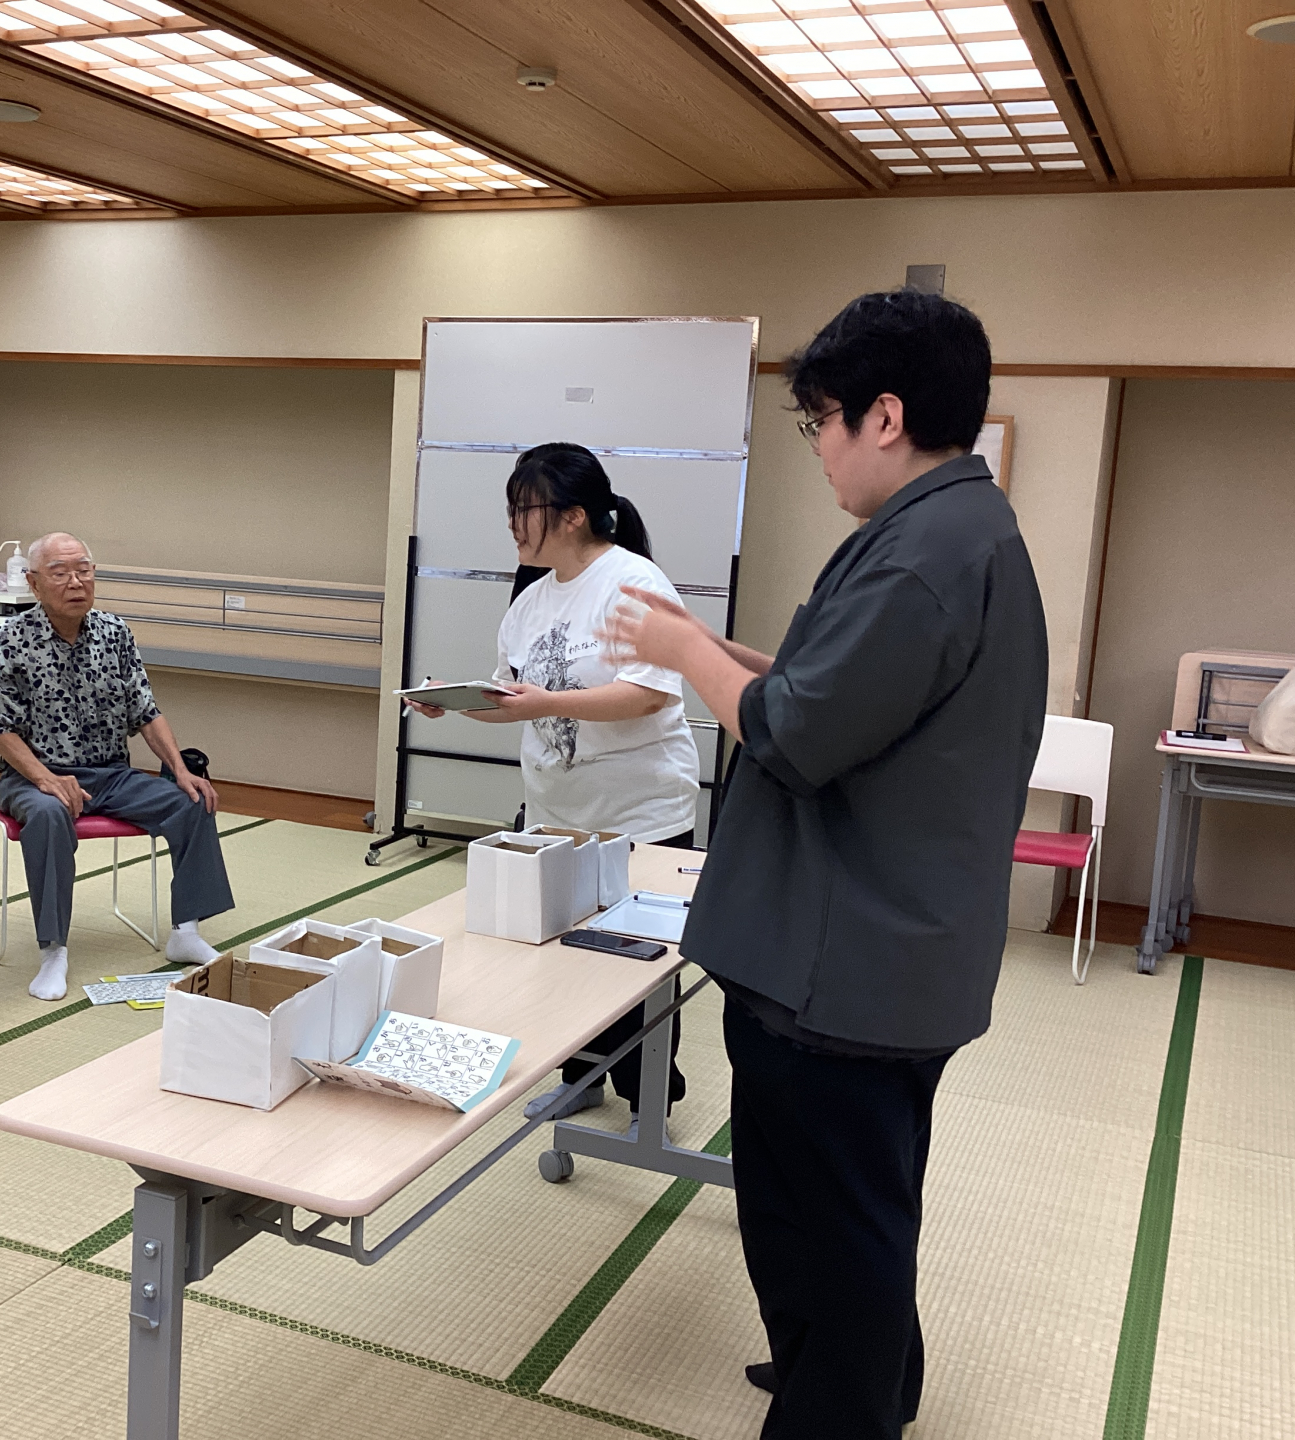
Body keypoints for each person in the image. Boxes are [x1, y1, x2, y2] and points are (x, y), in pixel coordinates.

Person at [601, 289, 1047, 1440]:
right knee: (854, 1208)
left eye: (822, 422)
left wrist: (683, 648)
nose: (819, 449)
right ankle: (854, 1382)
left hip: (843, 968)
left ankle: (839, 1408)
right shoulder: (957, 532)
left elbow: (794, 732)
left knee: (828, 1220)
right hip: (881, 953)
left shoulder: (921, 557)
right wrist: (719, 652)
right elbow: (834, 689)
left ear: (884, 416)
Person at [406, 442, 702, 1122]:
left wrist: (543, 702)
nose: (513, 524)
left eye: (525, 509)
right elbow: (513, 699)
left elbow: (649, 694)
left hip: (640, 814)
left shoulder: (636, 584)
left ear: (572, 515)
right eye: (509, 509)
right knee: (565, 959)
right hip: (555, 813)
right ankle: (581, 1078)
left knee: (636, 961)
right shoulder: (531, 600)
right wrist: (452, 701)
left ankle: (649, 1096)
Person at [0, 533, 234, 1002]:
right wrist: (47, 779)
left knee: (193, 801)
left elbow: (146, 712)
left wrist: (180, 769)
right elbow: (1, 731)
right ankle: (53, 949)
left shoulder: (115, 633)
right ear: (34, 584)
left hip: (111, 774)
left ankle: (186, 930)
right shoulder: (7, 640)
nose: (76, 582)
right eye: (60, 573)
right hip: (34, 775)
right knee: (49, 815)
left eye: (84, 570)